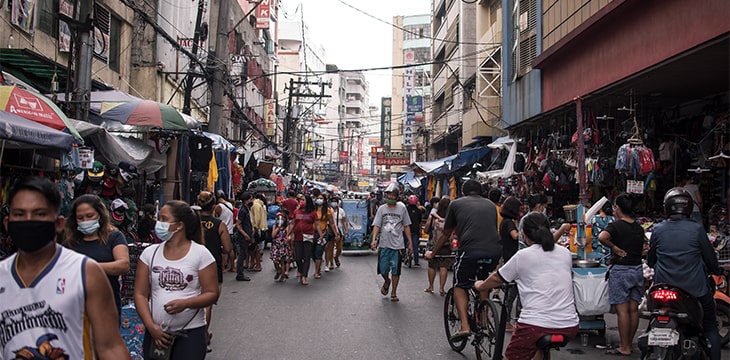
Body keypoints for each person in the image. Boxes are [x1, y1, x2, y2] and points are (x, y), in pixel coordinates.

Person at [0, 176, 130, 359]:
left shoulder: (86, 273)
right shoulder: (2, 276)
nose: (29, 221)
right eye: (20, 214)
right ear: (7, 223)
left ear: (58, 223)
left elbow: (110, 347)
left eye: (39, 214)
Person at [475, 212, 579, 360]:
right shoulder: (565, 253)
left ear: (524, 234)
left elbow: (498, 278)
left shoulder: (523, 255)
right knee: (538, 349)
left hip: (535, 325)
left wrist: (481, 286)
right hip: (569, 325)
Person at [133, 200, 219, 360]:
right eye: (159, 219)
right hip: (156, 332)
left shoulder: (201, 254)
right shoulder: (149, 254)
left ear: (179, 226)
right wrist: (151, 327)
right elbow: (140, 293)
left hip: (191, 331)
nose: (159, 223)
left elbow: (212, 293)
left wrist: (186, 304)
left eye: (164, 219)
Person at [648, 188, 721, 360]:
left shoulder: (657, 230)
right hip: (694, 291)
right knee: (710, 326)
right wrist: (716, 271)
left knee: (651, 324)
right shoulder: (696, 230)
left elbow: (651, 261)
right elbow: (710, 259)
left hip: (662, 290)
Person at [425, 179, 501, 340]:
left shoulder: (456, 204)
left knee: (460, 286)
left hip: (470, 251)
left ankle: (465, 327)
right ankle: (484, 319)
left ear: (463, 192)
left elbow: (446, 233)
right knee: (482, 282)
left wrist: (432, 254)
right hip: (494, 251)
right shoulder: (490, 205)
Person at [63, 194, 130, 319]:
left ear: (100, 215)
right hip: (76, 309)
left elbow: (123, 265)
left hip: (106, 308)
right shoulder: (70, 243)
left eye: (90, 216)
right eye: (80, 218)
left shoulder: (114, 237)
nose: (85, 221)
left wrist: (87, 267)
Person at [597, 194, 645, 356]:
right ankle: (628, 344)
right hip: (637, 269)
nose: (614, 210)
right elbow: (644, 245)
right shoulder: (638, 228)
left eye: (616, 207)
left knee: (622, 310)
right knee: (633, 309)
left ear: (619, 209)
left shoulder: (616, 226)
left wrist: (614, 248)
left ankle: (624, 346)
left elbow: (602, 237)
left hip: (621, 270)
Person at [197, 191, 232, 352]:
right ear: (213, 207)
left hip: (192, 265)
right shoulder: (219, 225)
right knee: (207, 304)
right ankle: (203, 334)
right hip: (212, 267)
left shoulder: (192, 222)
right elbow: (227, 248)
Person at [371, 183, 413, 302]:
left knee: (396, 270)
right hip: (384, 244)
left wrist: (410, 242)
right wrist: (374, 240)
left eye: (393, 195)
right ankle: (387, 281)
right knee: (383, 269)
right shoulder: (381, 209)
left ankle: (394, 292)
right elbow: (377, 225)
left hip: (398, 245)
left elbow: (407, 225)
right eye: (389, 194)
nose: (391, 197)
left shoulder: (402, 208)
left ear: (397, 196)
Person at [423, 196, 453, 296]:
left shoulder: (433, 216)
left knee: (432, 265)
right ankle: (441, 288)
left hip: (433, 244)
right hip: (445, 245)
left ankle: (431, 286)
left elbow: (426, 230)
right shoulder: (450, 218)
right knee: (443, 266)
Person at [288, 195, 320, 285]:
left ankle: (304, 276)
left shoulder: (312, 213)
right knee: (298, 257)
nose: (301, 201)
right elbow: (292, 224)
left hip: (308, 237)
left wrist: (321, 235)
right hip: (297, 238)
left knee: (306, 257)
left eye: (303, 200)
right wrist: (288, 234)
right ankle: (301, 271)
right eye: (300, 200)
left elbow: (317, 224)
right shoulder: (296, 211)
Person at [313, 192, 337, 277]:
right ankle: (318, 266)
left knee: (319, 251)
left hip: (323, 234)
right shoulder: (313, 209)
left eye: (321, 198)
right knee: (313, 253)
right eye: (318, 198)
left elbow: (332, 223)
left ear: (324, 200)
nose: (319, 200)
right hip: (312, 234)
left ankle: (317, 271)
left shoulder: (327, 211)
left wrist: (336, 234)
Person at [213, 190, 235, 272]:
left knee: (222, 250)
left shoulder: (218, 207)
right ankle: (232, 267)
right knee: (230, 249)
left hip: (222, 230)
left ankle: (222, 268)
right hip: (230, 229)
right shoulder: (229, 204)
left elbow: (215, 217)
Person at [234, 192, 254, 281]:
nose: (252, 201)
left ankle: (240, 273)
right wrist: (245, 234)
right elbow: (238, 224)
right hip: (243, 237)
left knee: (244, 254)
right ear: (246, 200)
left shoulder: (246, 209)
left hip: (246, 235)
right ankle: (240, 274)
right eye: (250, 199)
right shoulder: (243, 210)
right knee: (242, 255)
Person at [270, 210, 292, 281]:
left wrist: (288, 239)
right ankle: (278, 270)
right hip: (276, 245)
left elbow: (289, 235)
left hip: (283, 245)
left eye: (282, 219)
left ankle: (282, 274)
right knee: (275, 260)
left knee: (282, 261)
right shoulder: (274, 226)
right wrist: (278, 228)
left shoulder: (287, 227)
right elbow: (273, 235)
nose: (280, 220)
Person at [499, 196, 522, 263]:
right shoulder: (509, 222)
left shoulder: (504, 221)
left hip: (506, 253)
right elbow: (515, 236)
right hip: (511, 254)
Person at [327, 196, 348, 269]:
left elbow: (344, 221)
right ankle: (331, 263)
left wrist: (346, 230)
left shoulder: (341, 211)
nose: (334, 203)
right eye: (332, 201)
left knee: (339, 248)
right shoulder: (329, 210)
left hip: (339, 231)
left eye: (335, 201)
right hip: (331, 231)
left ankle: (336, 257)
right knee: (330, 248)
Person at [250, 193, 268, 272]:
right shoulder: (262, 205)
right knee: (256, 247)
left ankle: (257, 265)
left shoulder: (256, 205)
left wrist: (255, 228)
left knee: (256, 248)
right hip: (263, 228)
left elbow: (256, 219)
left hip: (258, 229)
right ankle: (255, 263)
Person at [406, 195, 424, 267]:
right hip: (415, 230)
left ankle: (403, 257)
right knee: (415, 246)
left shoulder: (406, 209)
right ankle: (416, 261)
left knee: (404, 244)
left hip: (407, 229)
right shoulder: (418, 211)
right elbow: (420, 222)